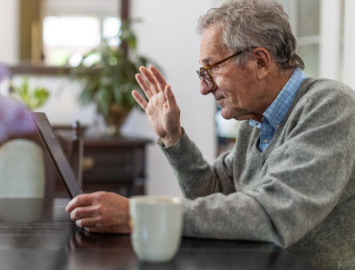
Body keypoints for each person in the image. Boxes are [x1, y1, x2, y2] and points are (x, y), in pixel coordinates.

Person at [66, 0, 355, 268]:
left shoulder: (330, 105)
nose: (204, 88)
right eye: (202, 74)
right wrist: (173, 137)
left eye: (212, 69)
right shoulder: (254, 125)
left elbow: (273, 213)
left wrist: (138, 214)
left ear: (261, 62)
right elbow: (209, 193)